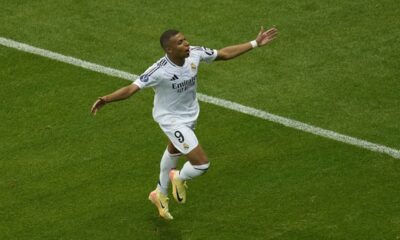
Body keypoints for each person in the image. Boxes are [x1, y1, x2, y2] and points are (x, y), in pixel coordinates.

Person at [91, 26, 278, 220]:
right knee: (201, 165)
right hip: (170, 119)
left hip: (190, 115)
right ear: (169, 50)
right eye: (180, 42)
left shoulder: (195, 54)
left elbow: (223, 54)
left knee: (174, 150)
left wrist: (255, 43)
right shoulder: (159, 70)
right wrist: (106, 98)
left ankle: (159, 194)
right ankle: (178, 176)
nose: (186, 43)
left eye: (185, 39)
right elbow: (131, 88)